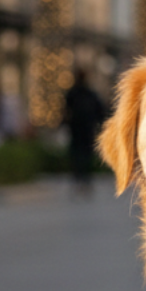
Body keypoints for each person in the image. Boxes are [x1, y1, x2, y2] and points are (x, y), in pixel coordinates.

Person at [63, 68, 106, 197]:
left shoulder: (77, 94)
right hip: (83, 129)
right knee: (82, 154)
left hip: (81, 129)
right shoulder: (85, 94)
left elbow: (66, 111)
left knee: (79, 154)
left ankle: (81, 180)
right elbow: (100, 112)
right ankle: (82, 180)